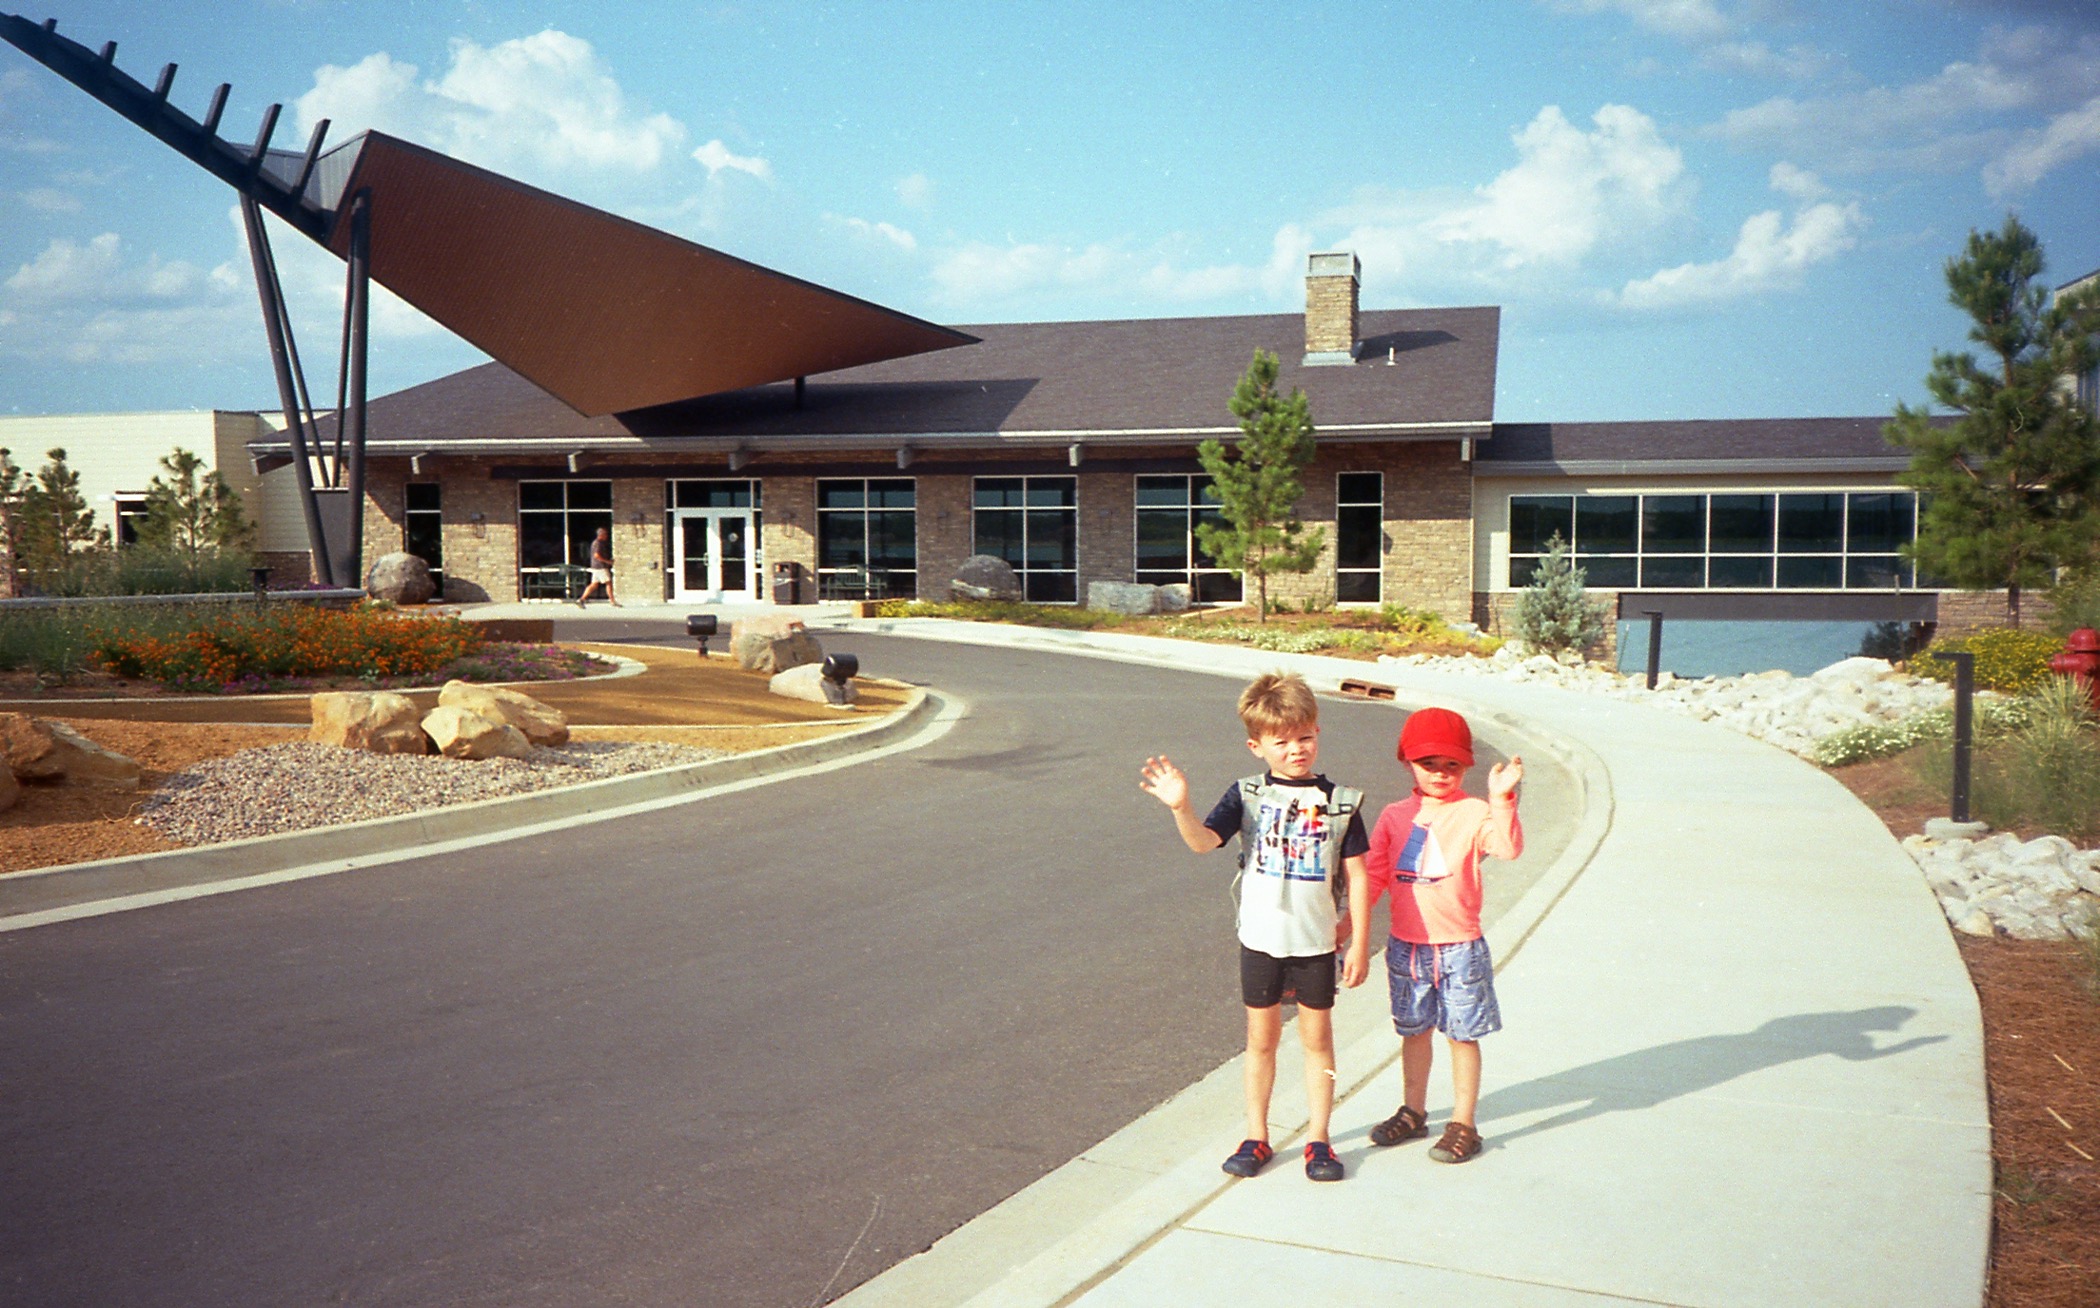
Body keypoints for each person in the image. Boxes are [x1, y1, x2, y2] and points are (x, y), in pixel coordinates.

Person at [1139, 671, 1371, 1183]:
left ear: (1318, 733)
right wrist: (1181, 807)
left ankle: (1319, 1139)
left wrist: (1358, 940)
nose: (1296, 750)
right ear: (1256, 745)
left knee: (1318, 1044)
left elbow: (1358, 875)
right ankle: (1256, 1134)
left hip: (1315, 944)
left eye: (1305, 737)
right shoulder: (1246, 796)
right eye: (1281, 741)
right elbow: (1204, 843)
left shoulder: (1341, 802)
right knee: (1260, 1042)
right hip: (1261, 943)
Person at [1362, 707, 1522, 1165]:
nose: (1440, 774)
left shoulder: (1474, 811)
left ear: (1466, 766)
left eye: (1451, 765)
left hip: (1459, 946)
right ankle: (1413, 1111)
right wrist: (1347, 927)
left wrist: (1502, 799)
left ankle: (1464, 1123)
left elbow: (1508, 849)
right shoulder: (1395, 817)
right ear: (1408, 762)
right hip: (1405, 945)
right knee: (1413, 1030)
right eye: (1428, 763)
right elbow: (1373, 878)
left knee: (1461, 1034)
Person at [575, 527, 619, 607]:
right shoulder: (598, 543)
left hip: (596, 567)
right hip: (600, 567)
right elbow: (597, 555)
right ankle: (612, 601)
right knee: (608, 583)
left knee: (594, 584)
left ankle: (581, 599)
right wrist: (607, 561)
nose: (606, 536)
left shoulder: (597, 543)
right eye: (605, 534)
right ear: (601, 535)